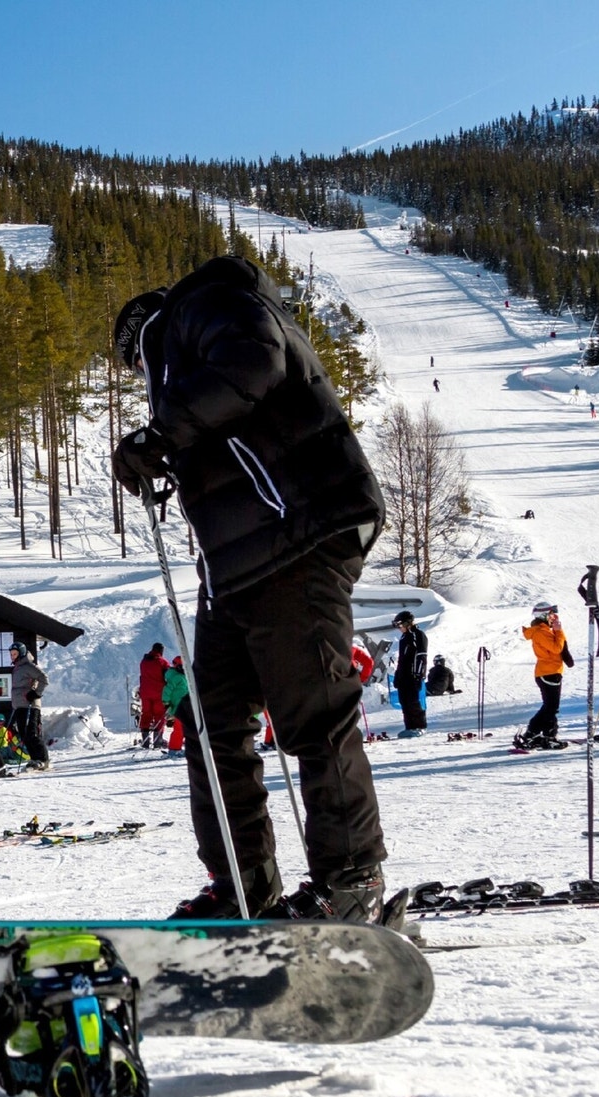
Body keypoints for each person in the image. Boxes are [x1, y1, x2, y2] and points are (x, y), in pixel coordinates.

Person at [111, 255, 389, 923]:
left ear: (138, 339)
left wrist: (161, 432)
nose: (142, 379)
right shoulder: (186, 360)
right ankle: (241, 885)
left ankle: (348, 885)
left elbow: (256, 360)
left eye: (135, 367)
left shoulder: (206, 303)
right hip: (235, 564)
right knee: (211, 729)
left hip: (298, 534)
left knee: (314, 719)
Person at [517, 602, 572, 749]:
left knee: (550, 707)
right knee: (551, 707)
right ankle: (541, 734)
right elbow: (556, 648)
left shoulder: (543, 630)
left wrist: (557, 630)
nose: (554, 617)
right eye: (551, 614)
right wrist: (558, 631)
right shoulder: (541, 632)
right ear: (544, 616)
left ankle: (540, 733)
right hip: (549, 672)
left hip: (549, 671)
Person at [7, 643, 50, 769]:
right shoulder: (18, 667)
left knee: (32, 733)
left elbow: (43, 678)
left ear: (21, 653)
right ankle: (34, 758)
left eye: (15, 654)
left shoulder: (28, 666)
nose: (12, 657)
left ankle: (43, 759)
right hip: (20, 706)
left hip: (30, 705)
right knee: (24, 734)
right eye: (11, 654)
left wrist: (35, 693)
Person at [391, 611, 428, 737]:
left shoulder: (418, 635)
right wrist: (397, 675)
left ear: (408, 623)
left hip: (413, 675)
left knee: (413, 701)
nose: (399, 628)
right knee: (404, 701)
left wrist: (418, 675)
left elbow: (421, 657)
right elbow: (402, 659)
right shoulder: (404, 637)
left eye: (400, 625)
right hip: (403, 675)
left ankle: (420, 726)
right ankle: (410, 727)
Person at [138, 642, 170, 749]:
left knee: (146, 714)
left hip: (145, 692)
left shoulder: (144, 661)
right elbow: (168, 678)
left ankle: (145, 741)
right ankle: (157, 741)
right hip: (158, 693)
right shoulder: (162, 662)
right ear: (161, 650)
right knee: (159, 715)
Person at [162, 657, 189, 754]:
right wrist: (166, 702)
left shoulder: (181, 676)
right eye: (182, 666)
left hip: (184, 706)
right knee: (179, 729)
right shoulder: (176, 677)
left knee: (185, 728)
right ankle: (174, 749)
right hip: (178, 707)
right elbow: (167, 690)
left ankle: (178, 747)